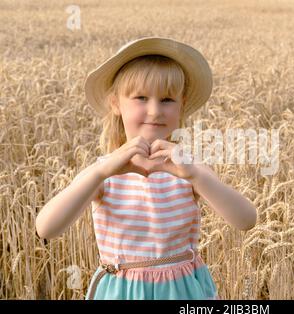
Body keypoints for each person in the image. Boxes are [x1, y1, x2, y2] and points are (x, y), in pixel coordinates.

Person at [35, 37, 257, 300]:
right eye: (141, 98)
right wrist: (100, 173)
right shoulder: (104, 173)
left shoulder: (189, 169)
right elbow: (46, 229)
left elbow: (246, 221)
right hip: (122, 291)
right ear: (116, 103)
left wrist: (196, 175)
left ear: (181, 104)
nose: (155, 111)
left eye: (167, 100)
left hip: (184, 292)